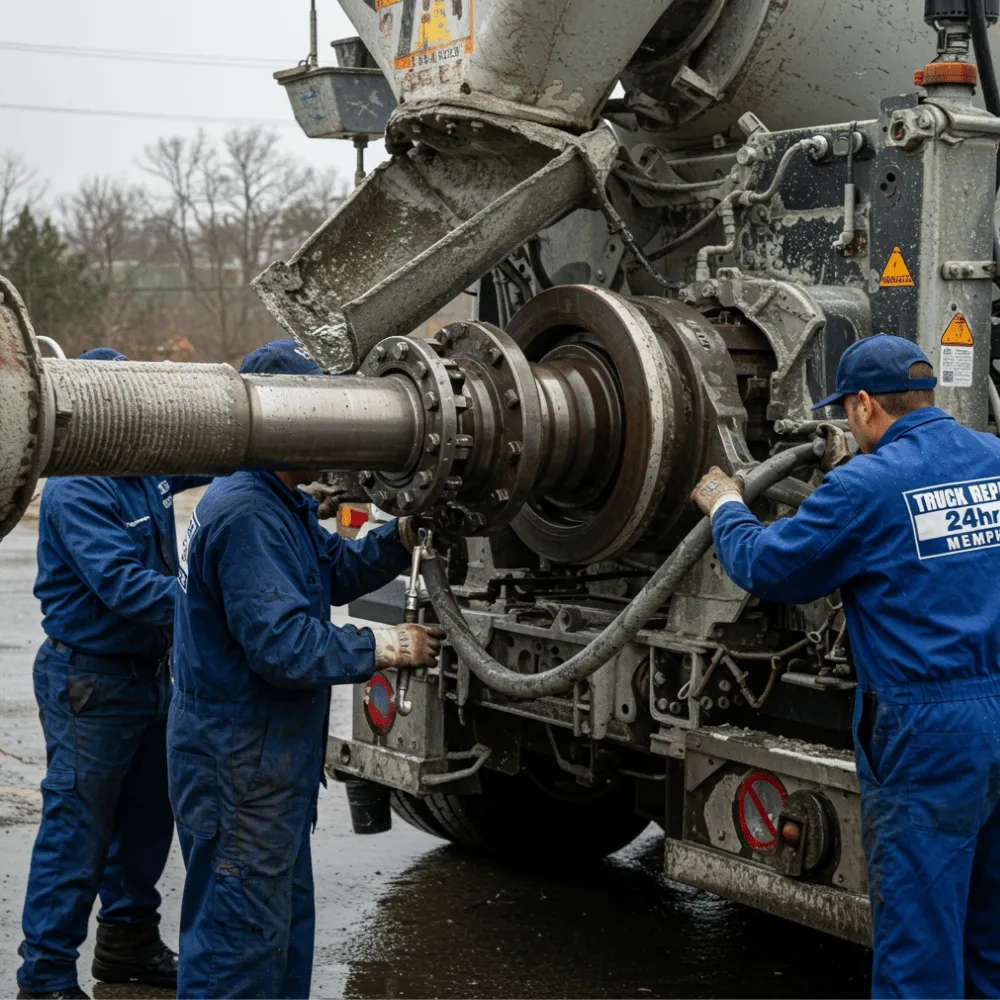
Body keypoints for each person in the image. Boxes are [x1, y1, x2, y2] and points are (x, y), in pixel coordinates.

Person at [691, 334, 1000, 998]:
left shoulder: (869, 484)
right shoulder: (994, 459)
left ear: (863, 406)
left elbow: (772, 567)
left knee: (919, 941)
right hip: (996, 713)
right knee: (986, 932)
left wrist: (725, 508)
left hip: (927, 730)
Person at [167, 339, 444, 1000]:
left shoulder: (275, 497)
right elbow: (285, 647)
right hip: (242, 761)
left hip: (262, 763)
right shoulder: (249, 515)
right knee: (239, 949)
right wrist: (386, 647)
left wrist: (395, 539)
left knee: (276, 939)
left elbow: (333, 570)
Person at [17, 348, 211, 1000]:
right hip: (89, 685)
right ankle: (44, 978)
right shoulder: (79, 485)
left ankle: (126, 945)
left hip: (149, 675)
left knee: (147, 821)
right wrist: (218, 609)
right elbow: (124, 587)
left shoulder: (141, 467)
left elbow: (221, 454)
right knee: (78, 833)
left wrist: (291, 458)